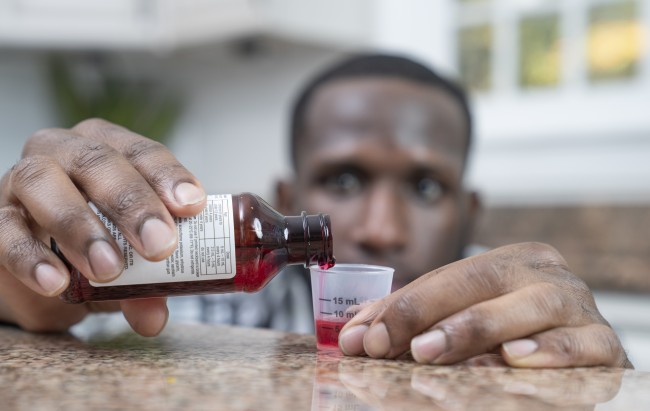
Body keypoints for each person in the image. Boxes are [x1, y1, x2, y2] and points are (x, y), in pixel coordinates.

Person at [0, 54, 631, 368]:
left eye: (427, 189)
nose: (381, 228)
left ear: (469, 212)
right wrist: (22, 289)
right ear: (292, 198)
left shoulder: (505, 326)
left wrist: (595, 373)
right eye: (345, 179)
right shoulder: (222, 308)